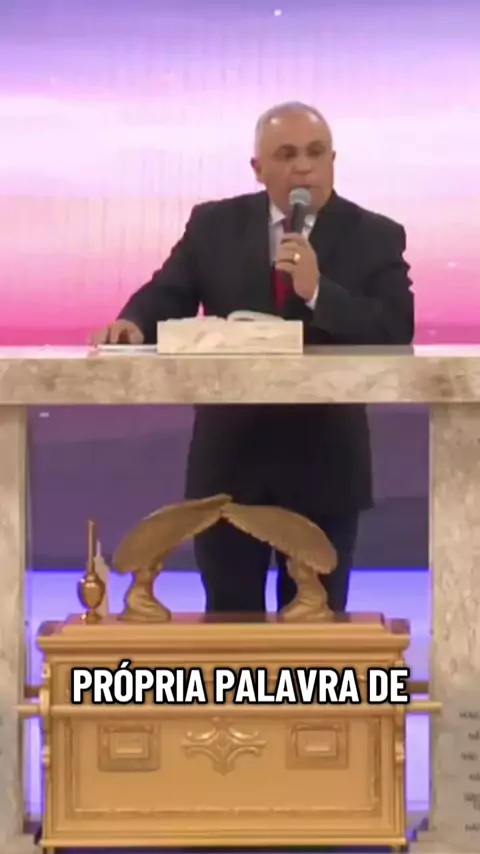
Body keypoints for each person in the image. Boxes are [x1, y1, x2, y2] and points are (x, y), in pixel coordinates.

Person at [90, 101, 414, 615]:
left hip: (324, 461)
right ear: (258, 168)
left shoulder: (374, 235)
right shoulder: (214, 224)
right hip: (230, 462)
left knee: (317, 629)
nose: (303, 167)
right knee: (229, 620)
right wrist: (134, 322)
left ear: (333, 161)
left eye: (315, 153)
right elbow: (169, 291)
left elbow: (395, 329)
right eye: (286, 155)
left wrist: (318, 292)